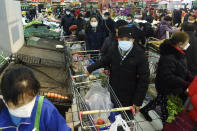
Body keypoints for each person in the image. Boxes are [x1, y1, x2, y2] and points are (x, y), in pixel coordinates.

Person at [87, 27, 150, 113]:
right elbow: (104, 60)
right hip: (114, 89)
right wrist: (90, 68)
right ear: (118, 39)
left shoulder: (140, 55)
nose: (124, 41)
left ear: (133, 40)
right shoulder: (114, 49)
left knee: (126, 118)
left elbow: (144, 80)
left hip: (129, 94)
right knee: (113, 115)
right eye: (121, 39)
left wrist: (137, 102)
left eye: (128, 39)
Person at [140, 32, 194, 126]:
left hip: (172, 85)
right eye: (186, 43)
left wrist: (189, 76)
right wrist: (185, 83)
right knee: (167, 114)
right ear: (180, 44)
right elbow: (168, 76)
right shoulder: (169, 56)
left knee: (160, 99)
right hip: (167, 86)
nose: (187, 45)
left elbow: (181, 68)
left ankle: (144, 109)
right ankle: (166, 127)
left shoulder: (179, 53)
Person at [0, 66, 71, 130]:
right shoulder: (2, 114)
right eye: (20, 104)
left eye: (30, 100)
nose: (26, 106)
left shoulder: (45, 109)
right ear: (5, 99)